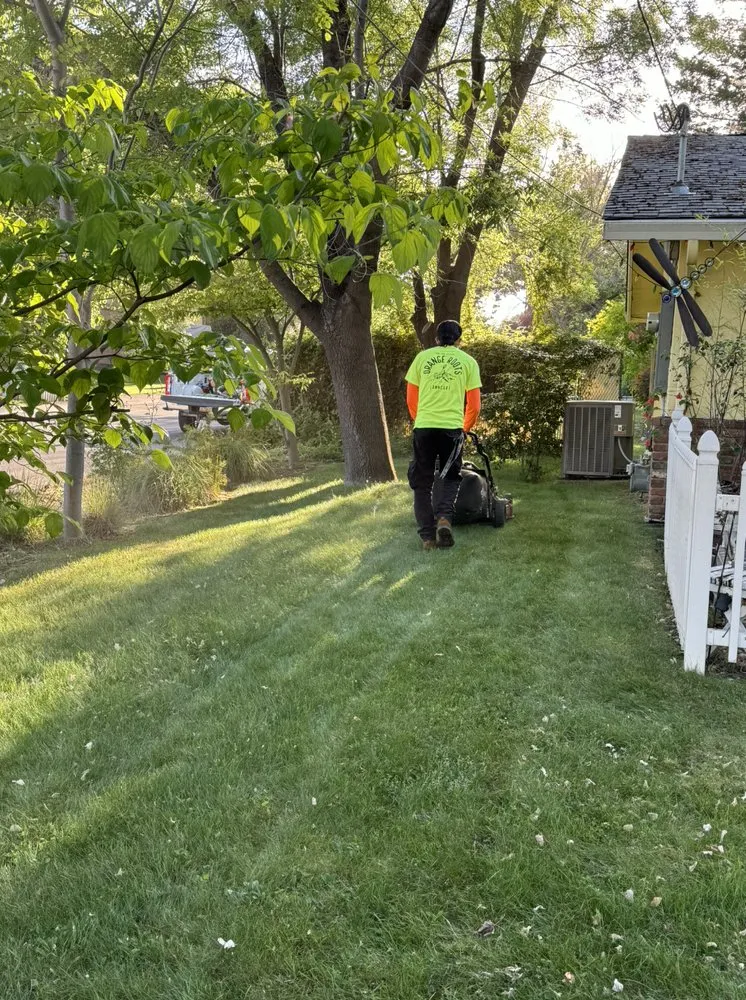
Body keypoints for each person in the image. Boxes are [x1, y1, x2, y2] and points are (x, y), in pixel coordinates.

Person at [405, 320, 482, 550]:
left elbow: (411, 399)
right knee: (450, 477)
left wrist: (421, 420)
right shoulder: (468, 362)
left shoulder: (421, 359)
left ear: (436, 338)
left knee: (422, 482)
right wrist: (464, 428)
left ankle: (428, 538)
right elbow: (475, 405)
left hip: (424, 426)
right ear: (459, 340)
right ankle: (444, 519)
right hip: (451, 428)